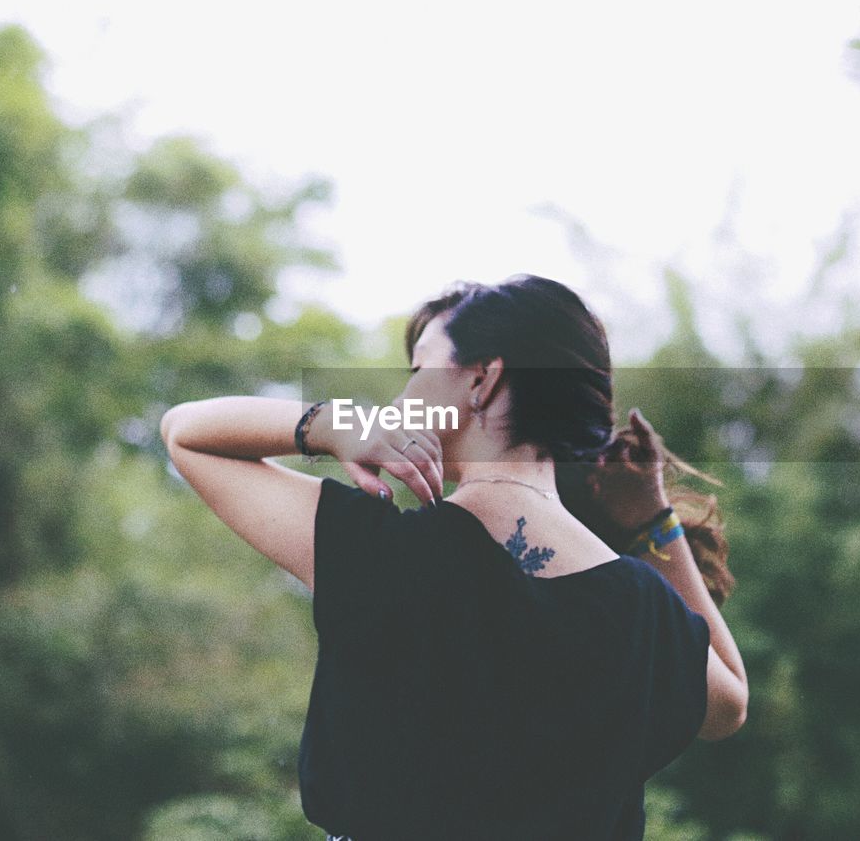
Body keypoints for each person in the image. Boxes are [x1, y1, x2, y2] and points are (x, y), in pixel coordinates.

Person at [160, 274, 748, 840]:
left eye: (420, 369)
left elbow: (185, 433)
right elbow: (729, 706)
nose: (403, 395)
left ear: (482, 380)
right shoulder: (646, 613)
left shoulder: (385, 550)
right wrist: (653, 518)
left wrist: (333, 424)